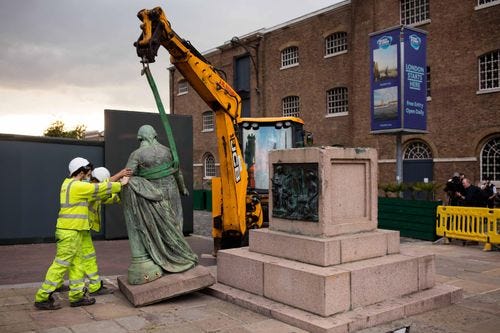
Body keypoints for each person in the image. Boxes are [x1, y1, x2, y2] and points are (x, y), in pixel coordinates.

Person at [34, 157, 128, 310]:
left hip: (74, 230)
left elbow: (98, 189)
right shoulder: (76, 186)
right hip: (70, 231)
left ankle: (77, 296)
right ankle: (42, 297)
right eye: (86, 172)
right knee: (61, 264)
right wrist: (120, 184)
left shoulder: (70, 184)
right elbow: (96, 189)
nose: (88, 175)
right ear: (81, 171)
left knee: (77, 263)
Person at [121, 125, 197, 285]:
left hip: (153, 194)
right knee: (175, 223)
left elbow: (127, 175)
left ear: (140, 137)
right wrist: (183, 188)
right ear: (154, 135)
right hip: (172, 189)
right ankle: (180, 255)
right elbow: (177, 172)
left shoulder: (137, 154)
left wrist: (119, 186)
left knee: (160, 226)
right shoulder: (167, 150)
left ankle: (170, 258)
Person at [79, 166, 131, 296]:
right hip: (77, 229)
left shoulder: (94, 190)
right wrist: (120, 175)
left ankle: (95, 285)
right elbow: (103, 187)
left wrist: (124, 196)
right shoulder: (87, 188)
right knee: (70, 259)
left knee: (85, 257)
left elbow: (109, 197)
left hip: (82, 229)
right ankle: (55, 287)